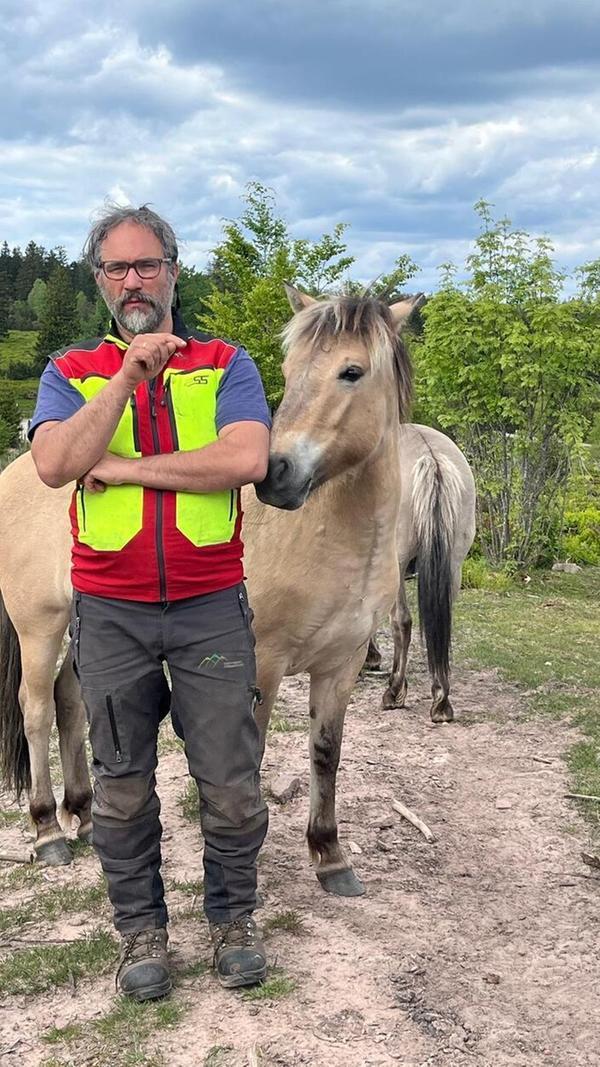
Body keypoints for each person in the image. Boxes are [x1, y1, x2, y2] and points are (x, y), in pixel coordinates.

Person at [29, 204, 271, 1001]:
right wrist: (129, 373)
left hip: (209, 606)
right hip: (112, 613)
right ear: (99, 281)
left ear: (174, 268)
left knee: (231, 782)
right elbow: (58, 462)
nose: (132, 280)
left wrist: (129, 468)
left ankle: (233, 919)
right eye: (116, 268)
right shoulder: (70, 372)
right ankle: (142, 931)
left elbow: (246, 456)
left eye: (146, 264)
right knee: (123, 784)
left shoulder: (227, 363)